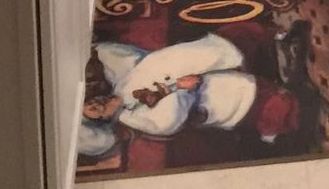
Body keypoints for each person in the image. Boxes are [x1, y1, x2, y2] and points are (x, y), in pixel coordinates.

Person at [77, 30, 303, 165]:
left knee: (241, 37)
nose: (97, 104)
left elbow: (126, 58)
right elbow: (168, 121)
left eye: (91, 102)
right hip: (227, 98)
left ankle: (281, 53)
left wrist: (96, 49)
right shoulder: (134, 118)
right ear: (104, 119)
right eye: (96, 110)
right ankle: (288, 78)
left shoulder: (121, 83)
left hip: (218, 60)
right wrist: (180, 87)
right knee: (279, 107)